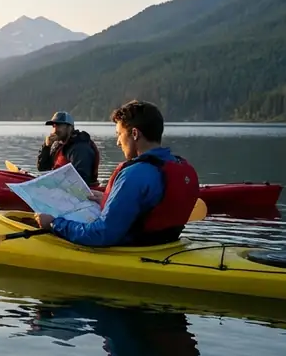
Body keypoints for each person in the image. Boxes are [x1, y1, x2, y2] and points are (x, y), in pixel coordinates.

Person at [36, 100, 199, 247]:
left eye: (119, 134)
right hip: (167, 245)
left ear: (134, 134)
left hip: (136, 251)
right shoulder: (182, 167)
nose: (118, 142)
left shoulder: (134, 175)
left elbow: (101, 234)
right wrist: (109, 199)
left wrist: (54, 224)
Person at [36, 110, 101, 186]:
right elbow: (42, 168)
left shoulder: (80, 147)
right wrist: (46, 147)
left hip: (78, 190)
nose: (55, 130)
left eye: (59, 125)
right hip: (60, 186)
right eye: (53, 126)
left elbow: (81, 179)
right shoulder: (58, 145)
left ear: (70, 127)